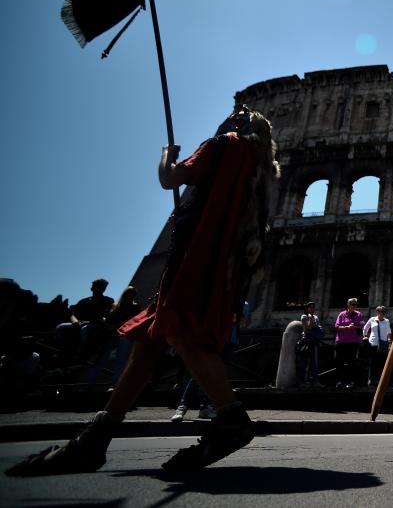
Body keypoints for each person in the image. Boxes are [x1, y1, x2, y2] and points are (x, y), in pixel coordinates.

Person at [7, 105, 279, 476]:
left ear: (236, 124)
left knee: (183, 334)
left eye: (232, 116)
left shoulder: (223, 144)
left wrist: (168, 154)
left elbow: (170, 179)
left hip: (194, 258)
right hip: (222, 260)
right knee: (148, 344)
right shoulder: (258, 165)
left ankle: (232, 418)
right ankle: (95, 438)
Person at [55, 279, 113, 365]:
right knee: (61, 327)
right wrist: (75, 322)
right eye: (95, 286)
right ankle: (64, 349)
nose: (96, 289)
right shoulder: (84, 301)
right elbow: (73, 314)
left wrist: (87, 322)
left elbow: (105, 316)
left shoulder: (108, 301)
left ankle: (81, 355)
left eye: (100, 287)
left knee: (86, 329)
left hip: (95, 325)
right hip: (79, 323)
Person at [104, 286, 141, 386]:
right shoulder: (116, 306)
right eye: (129, 293)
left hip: (124, 334)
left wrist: (120, 324)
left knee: (121, 359)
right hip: (110, 334)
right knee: (102, 358)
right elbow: (108, 319)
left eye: (132, 293)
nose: (130, 295)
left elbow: (134, 319)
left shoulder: (135, 307)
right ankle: (90, 384)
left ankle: (115, 384)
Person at [334, 298, 365, 388]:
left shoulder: (359, 314)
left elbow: (361, 326)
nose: (353, 306)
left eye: (355, 304)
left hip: (354, 342)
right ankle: (339, 381)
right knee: (340, 362)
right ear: (348, 304)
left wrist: (353, 326)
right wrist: (347, 327)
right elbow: (337, 327)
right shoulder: (342, 314)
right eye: (352, 304)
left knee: (352, 363)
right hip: (342, 341)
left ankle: (350, 381)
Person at [363, 306, 392, 387]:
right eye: (381, 311)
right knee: (372, 363)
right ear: (378, 312)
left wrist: (389, 340)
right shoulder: (372, 319)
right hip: (373, 344)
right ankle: (371, 380)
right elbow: (365, 328)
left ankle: (379, 380)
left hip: (383, 345)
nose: (383, 313)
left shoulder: (387, 321)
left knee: (381, 363)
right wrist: (365, 336)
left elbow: (389, 332)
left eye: (384, 312)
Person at [297, 302, 324, 386]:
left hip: (314, 341)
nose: (312, 309)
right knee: (304, 362)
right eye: (310, 307)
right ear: (306, 308)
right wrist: (310, 319)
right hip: (306, 342)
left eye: (313, 307)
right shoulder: (304, 316)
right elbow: (307, 328)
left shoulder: (315, 317)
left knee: (314, 362)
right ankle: (303, 381)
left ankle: (315, 381)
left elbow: (319, 327)